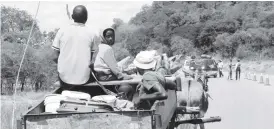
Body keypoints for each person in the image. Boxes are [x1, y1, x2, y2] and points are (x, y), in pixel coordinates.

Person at [52, 5, 96, 89]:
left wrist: (66, 64)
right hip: (84, 78)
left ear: (72, 17)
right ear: (86, 18)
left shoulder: (62, 30)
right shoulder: (92, 33)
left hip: (64, 78)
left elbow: (54, 57)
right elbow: (91, 59)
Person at [94, 28, 133, 100]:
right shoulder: (107, 48)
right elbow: (113, 67)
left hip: (99, 75)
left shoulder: (99, 47)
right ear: (103, 37)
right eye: (108, 36)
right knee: (129, 85)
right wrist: (122, 76)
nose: (111, 38)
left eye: (112, 36)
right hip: (105, 76)